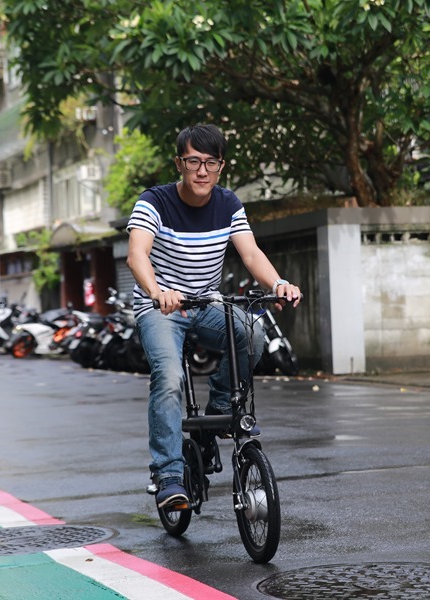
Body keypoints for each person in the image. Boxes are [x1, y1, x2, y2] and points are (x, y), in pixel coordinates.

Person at [126, 124, 302, 509]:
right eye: (193, 161)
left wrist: (280, 283)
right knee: (169, 377)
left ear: (221, 166)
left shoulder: (228, 204)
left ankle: (219, 410)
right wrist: (158, 292)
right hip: (162, 309)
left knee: (253, 336)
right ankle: (169, 473)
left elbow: (251, 255)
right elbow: (137, 254)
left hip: (206, 305)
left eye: (211, 163)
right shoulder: (153, 201)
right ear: (179, 163)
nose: (202, 171)